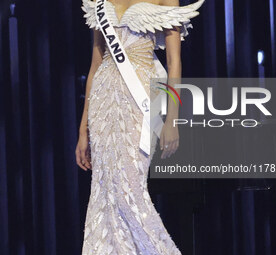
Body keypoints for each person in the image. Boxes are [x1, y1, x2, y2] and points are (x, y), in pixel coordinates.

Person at [76, 0, 204, 253]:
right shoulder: (101, 2)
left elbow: (174, 62)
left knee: (130, 190)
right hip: (103, 96)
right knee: (105, 190)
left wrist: (171, 119)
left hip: (143, 95)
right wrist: (83, 129)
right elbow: (95, 64)